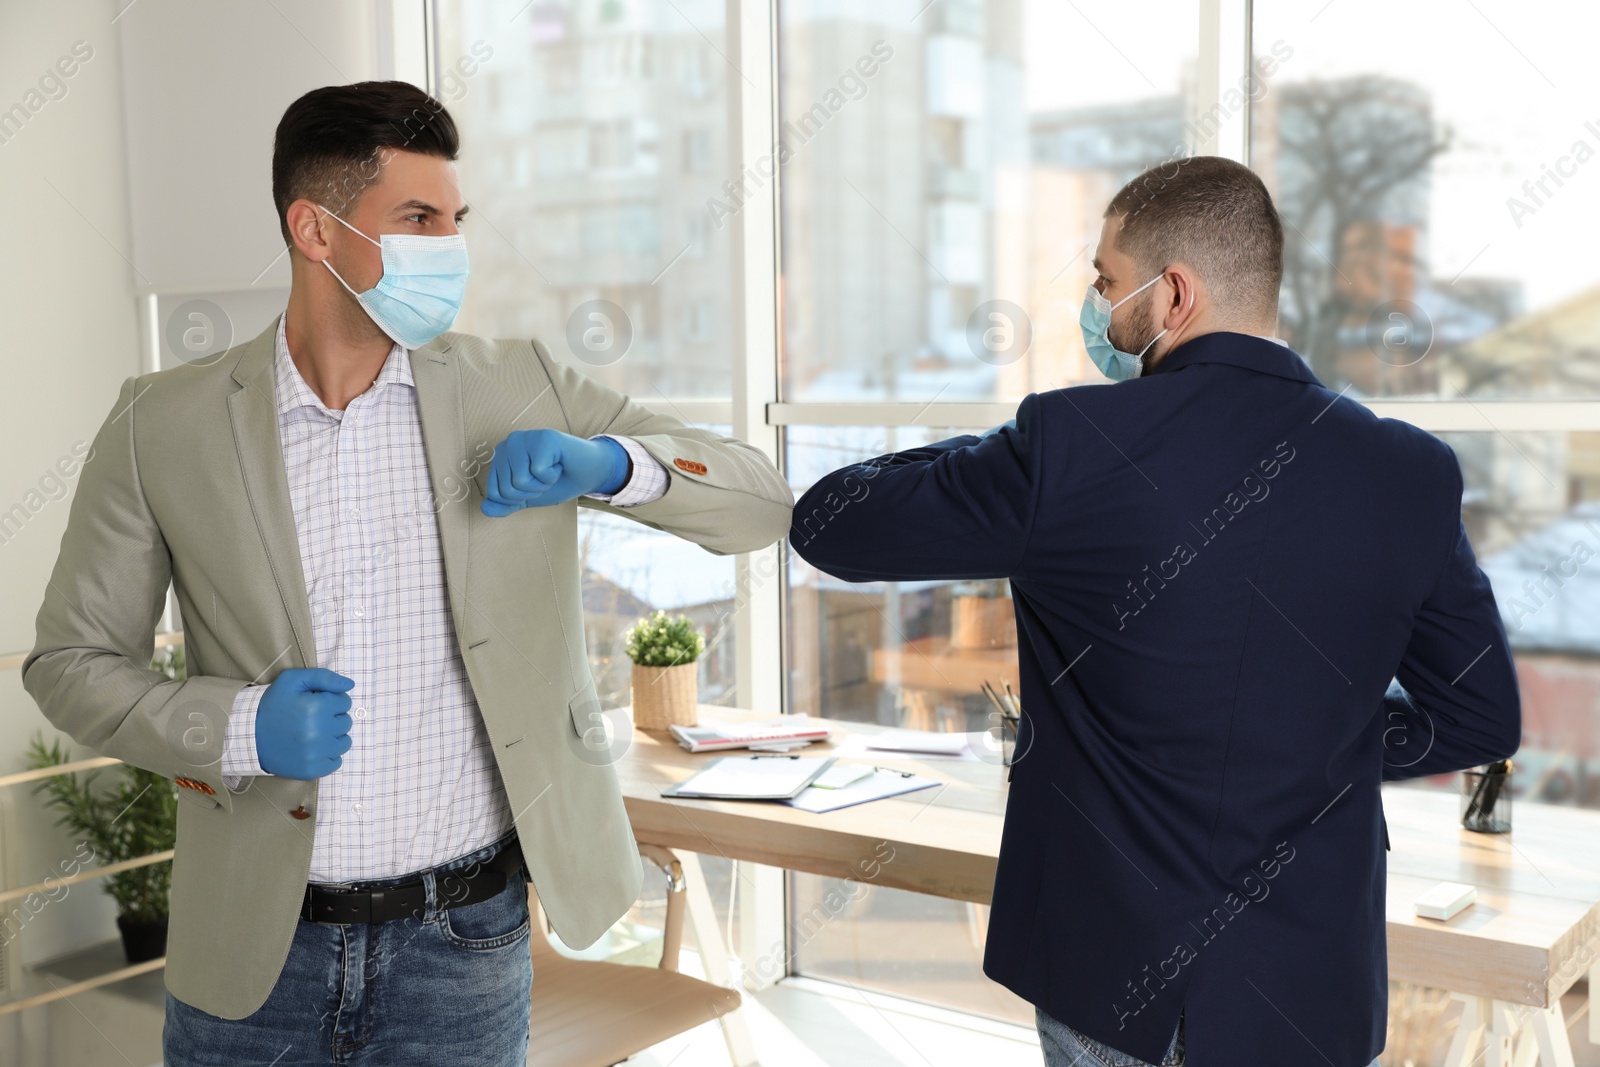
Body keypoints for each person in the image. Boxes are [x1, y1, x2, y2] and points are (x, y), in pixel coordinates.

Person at [24, 81, 793, 1066]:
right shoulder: (161, 422)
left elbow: (760, 501)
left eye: (456, 220)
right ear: (316, 230)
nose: (450, 248)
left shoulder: (521, 386)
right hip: (254, 954)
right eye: (418, 219)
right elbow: (70, 661)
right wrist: (237, 724)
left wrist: (613, 464)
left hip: (463, 948)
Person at [787, 155, 1519, 1067]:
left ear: (1174, 294)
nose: (1097, 309)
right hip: (1310, 991)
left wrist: (1014, 447)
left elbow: (829, 521)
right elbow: (1481, 714)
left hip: (1111, 974)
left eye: (1105, 282)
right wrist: (1320, 748)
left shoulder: (1071, 445)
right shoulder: (1409, 471)